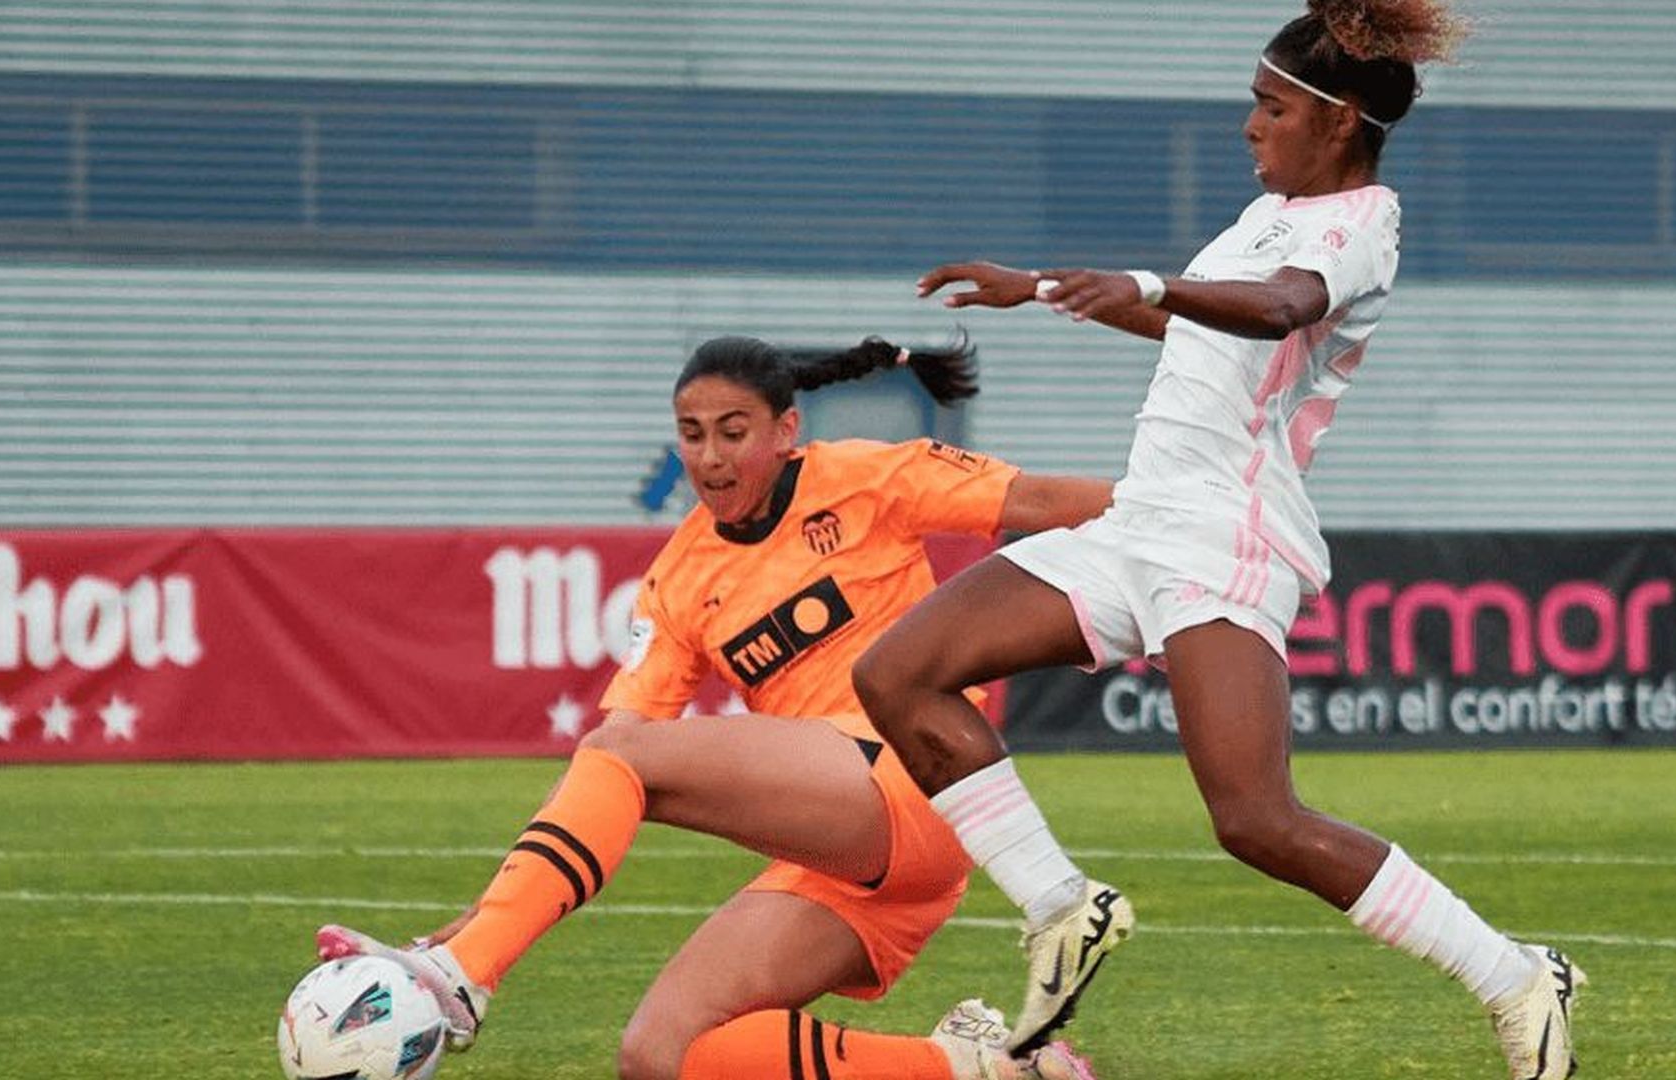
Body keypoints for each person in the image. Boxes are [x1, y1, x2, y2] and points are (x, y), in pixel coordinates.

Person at [851, 2, 1588, 1078]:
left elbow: (1281, 307)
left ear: (1338, 122)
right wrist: (1046, 286)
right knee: (898, 674)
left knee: (1254, 820)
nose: (1250, 124)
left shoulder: (1360, 223)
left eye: (1271, 106)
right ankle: (1062, 907)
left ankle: (1515, 978)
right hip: (1139, 522)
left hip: (1223, 536)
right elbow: (1193, 316)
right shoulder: (1268, 213)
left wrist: (1149, 280)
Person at [316, 333, 1113, 1080]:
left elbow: (1046, 498)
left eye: (733, 432)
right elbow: (617, 747)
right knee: (664, 1053)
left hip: (922, 776)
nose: (710, 456)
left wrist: (1175, 535)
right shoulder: (679, 578)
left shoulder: (865, 477)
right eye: (691, 434)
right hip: (854, 854)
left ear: (786, 430)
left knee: (620, 756)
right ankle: (981, 1066)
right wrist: (491, 910)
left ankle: (463, 976)